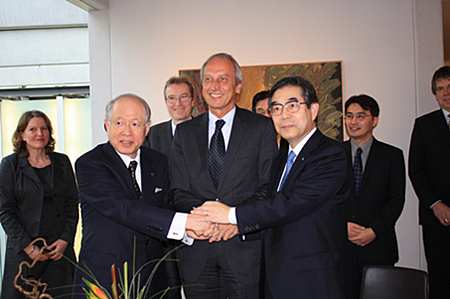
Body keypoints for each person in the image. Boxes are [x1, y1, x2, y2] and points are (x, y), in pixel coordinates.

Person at [193, 76, 351, 299]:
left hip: (312, 280)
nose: (284, 115)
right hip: (275, 276)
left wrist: (231, 214)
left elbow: (290, 204)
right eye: (276, 109)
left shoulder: (330, 155)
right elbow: (269, 208)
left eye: (293, 106)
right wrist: (239, 227)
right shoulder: (281, 158)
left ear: (313, 110)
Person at [72, 94, 213, 298]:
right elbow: (122, 208)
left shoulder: (158, 161)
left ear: (147, 128)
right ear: (106, 125)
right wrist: (186, 222)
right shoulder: (90, 164)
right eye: (119, 122)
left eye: (135, 124)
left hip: (152, 278)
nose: (127, 131)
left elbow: (166, 209)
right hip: (105, 277)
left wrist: (190, 231)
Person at [170, 53, 278, 298]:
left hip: (244, 250)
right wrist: (210, 218)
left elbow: (267, 186)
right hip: (198, 248)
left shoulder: (261, 128)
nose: (214, 86)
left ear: (238, 86)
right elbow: (178, 191)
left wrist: (233, 219)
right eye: (208, 79)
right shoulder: (184, 133)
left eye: (223, 79)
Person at [0, 110, 78, 298]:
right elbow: (4, 211)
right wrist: (28, 247)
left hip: (58, 250)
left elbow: (72, 203)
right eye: (32, 129)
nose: (40, 134)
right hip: (24, 253)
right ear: (22, 135)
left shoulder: (62, 162)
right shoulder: (10, 165)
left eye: (44, 129)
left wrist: (66, 240)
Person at [343, 94, 405, 299]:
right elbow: (325, 199)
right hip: (341, 246)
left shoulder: (392, 156)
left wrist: (374, 231)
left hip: (379, 246)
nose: (353, 121)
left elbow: (396, 200)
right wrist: (342, 225)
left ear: (374, 120)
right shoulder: (332, 154)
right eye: (349, 116)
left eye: (361, 116)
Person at [409, 66, 450, 299]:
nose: (446, 93)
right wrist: (436, 204)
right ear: (434, 94)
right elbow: (416, 170)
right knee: (440, 281)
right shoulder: (424, 125)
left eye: (449, 87)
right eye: (440, 89)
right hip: (436, 219)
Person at [143, 75, 195, 153]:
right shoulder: (151, 135)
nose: (178, 103)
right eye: (172, 98)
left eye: (183, 97)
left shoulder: (207, 132)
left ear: (192, 101)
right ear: (166, 102)